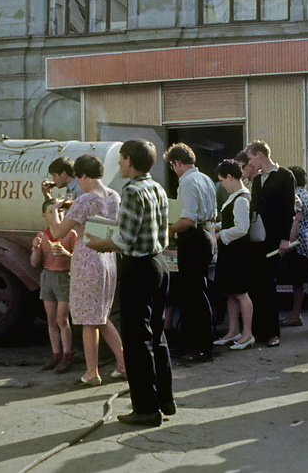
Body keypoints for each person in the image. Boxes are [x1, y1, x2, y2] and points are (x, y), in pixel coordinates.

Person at [85, 139, 173, 428]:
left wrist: (100, 243)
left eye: (122, 159)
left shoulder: (132, 191)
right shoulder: (157, 186)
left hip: (139, 267)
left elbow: (125, 239)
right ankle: (164, 399)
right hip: (159, 264)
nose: (120, 164)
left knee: (136, 341)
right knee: (157, 335)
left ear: (130, 162)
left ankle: (146, 409)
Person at [49, 154, 125, 387]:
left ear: (82, 175)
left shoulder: (84, 200)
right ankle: (123, 365)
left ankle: (92, 372)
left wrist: (53, 211)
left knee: (87, 319)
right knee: (102, 316)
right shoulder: (114, 195)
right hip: (108, 257)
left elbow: (59, 232)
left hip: (87, 258)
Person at [165, 143, 217, 363]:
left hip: (194, 238)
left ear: (177, 163)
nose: (173, 170)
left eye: (172, 166)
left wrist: (167, 229)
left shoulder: (186, 182)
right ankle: (197, 343)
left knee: (193, 295)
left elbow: (187, 220)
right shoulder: (205, 178)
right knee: (198, 292)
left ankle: (200, 347)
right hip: (206, 234)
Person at [246, 141, 296, 347]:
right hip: (258, 239)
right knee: (257, 284)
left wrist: (285, 239)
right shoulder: (257, 180)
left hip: (275, 239)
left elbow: (289, 209)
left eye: (250, 158)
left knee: (268, 283)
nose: (249, 163)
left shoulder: (284, 176)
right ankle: (260, 329)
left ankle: (273, 331)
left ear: (259, 155)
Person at [30, 198, 79, 374]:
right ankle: (56, 355)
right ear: (45, 216)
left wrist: (66, 254)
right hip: (48, 277)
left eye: (58, 211)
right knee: (51, 320)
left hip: (64, 277)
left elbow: (78, 260)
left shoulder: (70, 235)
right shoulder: (42, 236)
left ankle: (67, 356)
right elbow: (34, 263)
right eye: (51, 212)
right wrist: (35, 248)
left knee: (62, 319)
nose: (55, 215)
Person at [212, 159, 256, 351]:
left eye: (222, 180)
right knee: (231, 293)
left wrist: (220, 234)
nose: (222, 184)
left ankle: (247, 334)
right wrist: (217, 227)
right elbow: (231, 220)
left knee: (241, 293)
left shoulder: (241, 198)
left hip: (238, 252)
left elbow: (242, 228)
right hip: (230, 251)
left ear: (230, 177)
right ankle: (233, 331)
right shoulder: (236, 196)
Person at [280, 165, 308, 327]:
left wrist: (289, 241)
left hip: (295, 243)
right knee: (298, 282)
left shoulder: (295, 195)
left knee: (292, 278)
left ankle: (295, 315)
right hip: (303, 242)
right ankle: (296, 313)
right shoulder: (306, 194)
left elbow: (296, 219)